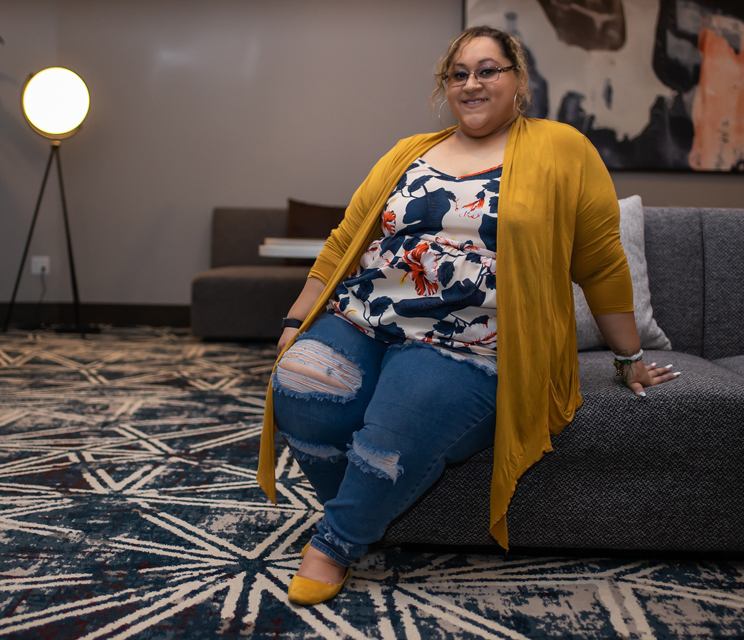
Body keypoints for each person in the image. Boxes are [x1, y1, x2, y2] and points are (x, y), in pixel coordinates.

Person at [255, 25, 679, 606]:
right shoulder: (410, 151)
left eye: (488, 70)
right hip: (366, 315)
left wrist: (629, 357)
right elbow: (344, 240)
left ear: (518, 79)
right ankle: (363, 507)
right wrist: (294, 320)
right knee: (302, 382)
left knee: (401, 421)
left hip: (472, 341)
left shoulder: (561, 147)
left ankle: (335, 542)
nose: (472, 83)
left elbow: (601, 261)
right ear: (445, 87)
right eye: (459, 74)